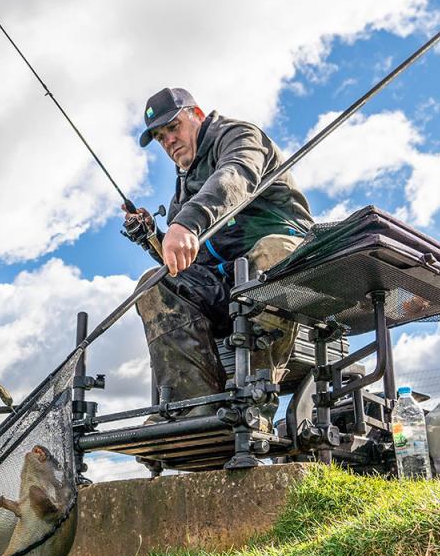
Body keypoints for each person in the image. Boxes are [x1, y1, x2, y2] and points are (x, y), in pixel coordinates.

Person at [127, 87, 315, 430]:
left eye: (173, 127)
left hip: (287, 270)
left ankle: (255, 403)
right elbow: (186, 267)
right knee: (152, 285)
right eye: (159, 136)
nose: (168, 140)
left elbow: (235, 176)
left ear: (196, 115)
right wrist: (153, 237)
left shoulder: (240, 136)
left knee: (271, 254)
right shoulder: (183, 188)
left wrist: (186, 222)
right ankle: (196, 409)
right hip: (226, 283)